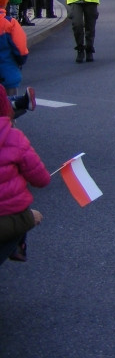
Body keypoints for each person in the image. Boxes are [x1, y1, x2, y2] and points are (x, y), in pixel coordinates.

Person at [0, 86, 47, 264]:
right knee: (27, 214)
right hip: (6, 219)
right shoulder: (14, 138)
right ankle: (17, 246)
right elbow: (41, 179)